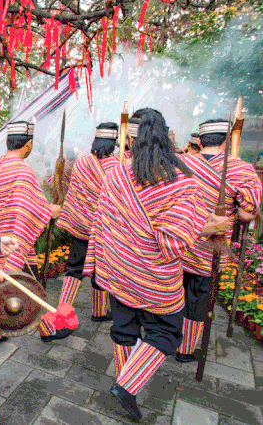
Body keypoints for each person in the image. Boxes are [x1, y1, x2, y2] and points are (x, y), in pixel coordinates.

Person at [83, 110, 229, 420]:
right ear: (165, 137)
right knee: (166, 332)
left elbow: (102, 222)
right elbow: (174, 241)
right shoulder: (179, 182)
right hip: (155, 276)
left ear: (132, 140)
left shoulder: (116, 175)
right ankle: (127, 387)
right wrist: (210, 227)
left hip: (119, 270)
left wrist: (99, 263)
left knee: (124, 329)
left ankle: (127, 386)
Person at [176, 119, 262, 362]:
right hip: (210, 250)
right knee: (199, 298)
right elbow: (247, 212)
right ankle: (186, 349)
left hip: (178, 244)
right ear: (226, 141)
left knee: (174, 292)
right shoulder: (242, 170)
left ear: (200, 141)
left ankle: (167, 338)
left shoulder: (179, 164)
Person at [0, 121, 63, 348]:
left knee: (4, 283)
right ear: (28, 144)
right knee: (26, 284)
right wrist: (51, 210)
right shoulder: (23, 170)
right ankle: (45, 330)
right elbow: (33, 207)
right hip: (16, 238)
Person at [54, 123, 120, 333]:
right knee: (100, 270)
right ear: (114, 143)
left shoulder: (82, 163)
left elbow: (75, 193)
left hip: (81, 225)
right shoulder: (117, 167)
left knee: (74, 269)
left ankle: (65, 317)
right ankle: (96, 312)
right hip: (104, 229)